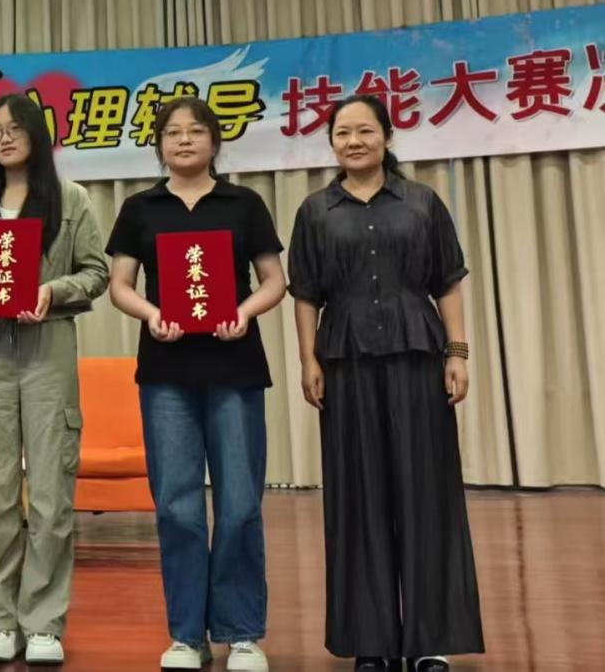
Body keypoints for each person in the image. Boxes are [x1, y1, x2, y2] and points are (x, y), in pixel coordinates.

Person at [288, 94, 483, 672]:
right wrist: (308, 360)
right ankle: (369, 641)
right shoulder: (314, 211)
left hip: (418, 357)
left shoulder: (423, 202)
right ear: (331, 143)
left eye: (365, 131)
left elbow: (448, 282)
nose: (353, 141)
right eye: (342, 133)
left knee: (426, 493)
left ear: (387, 137)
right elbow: (305, 295)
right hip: (345, 362)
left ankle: (428, 640)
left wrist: (458, 353)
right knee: (358, 497)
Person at [105, 97, 285, 671]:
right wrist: (151, 313)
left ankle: (242, 633)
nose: (183, 140)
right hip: (167, 373)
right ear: (159, 144)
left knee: (239, 504)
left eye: (195, 131)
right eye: (172, 133)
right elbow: (119, 285)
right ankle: (186, 635)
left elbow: (274, 280)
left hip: (235, 367)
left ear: (214, 140)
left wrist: (245, 311)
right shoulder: (140, 208)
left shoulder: (244, 203)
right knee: (176, 506)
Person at [0, 93, 109, 665]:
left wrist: (51, 291)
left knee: (50, 497)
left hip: (47, 355)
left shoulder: (70, 199)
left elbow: (96, 272)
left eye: (16, 129)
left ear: (38, 135)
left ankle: (43, 622)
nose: (5, 138)